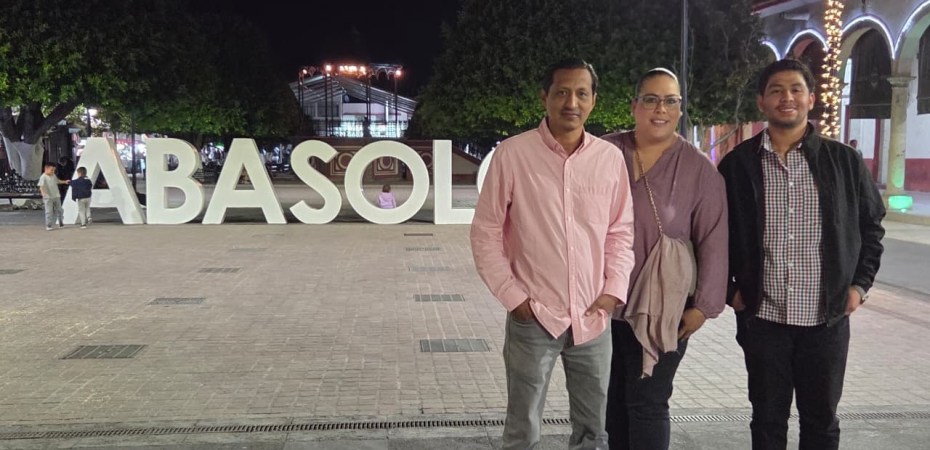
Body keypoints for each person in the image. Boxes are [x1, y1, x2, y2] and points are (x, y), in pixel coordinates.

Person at [718, 58, 885, 450]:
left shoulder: (843, 161)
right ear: (762, 101)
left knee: (821, 420)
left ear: (811, 99)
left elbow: (872, 227)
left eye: (796, 89)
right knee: (767, 419)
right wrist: (730, 292)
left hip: (826, 320)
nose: (786, 98)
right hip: (764, 318)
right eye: (776, 90)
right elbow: (713, 235)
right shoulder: (738, 165)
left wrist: (860, 286)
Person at [471, 58, 635, 450]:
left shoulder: (609, 159)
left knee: (593, 431)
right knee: (522, 430)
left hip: (592, 316)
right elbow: (486, 232)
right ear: (544, 97)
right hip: (534, 317)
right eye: (562, 92)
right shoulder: (513, 154)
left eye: (581, 93)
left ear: (594, 100)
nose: (571, 103)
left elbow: (620, 231)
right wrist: (514, 298)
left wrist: (613, 290)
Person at [601, 68, 728, 450]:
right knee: (612, 400)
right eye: (651, 100)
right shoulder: (605, 152)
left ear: (680, 108)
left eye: (670, 101)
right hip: (603, 304)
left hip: (664, 308)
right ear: (634, 105)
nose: (661, 109)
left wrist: (703, 308)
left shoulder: (698, 168)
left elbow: (714, 239)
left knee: (648, 401)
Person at [37, 163, 69, 230]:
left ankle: (61, 223)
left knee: (60, 210)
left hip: (56, 195)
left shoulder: (53, 175)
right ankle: (48, 225)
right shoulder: (43, 177)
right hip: (48, 197)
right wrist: (44, 194)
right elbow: (41, 186)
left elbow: (57, 181)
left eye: (54, 170)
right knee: (49, 211)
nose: (53, 171)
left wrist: (65, 182)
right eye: (51, 170)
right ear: (46, 169)